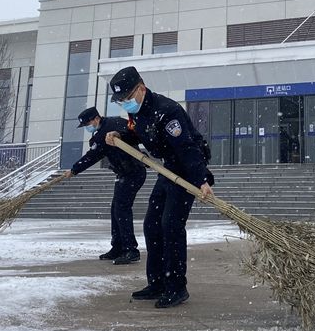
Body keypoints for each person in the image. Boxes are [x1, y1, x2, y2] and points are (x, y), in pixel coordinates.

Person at [104, 66, 214, 309]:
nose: (125, 104)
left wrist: (201, 180)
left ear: (141, 89)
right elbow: (141, 135)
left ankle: (176, 286)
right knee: (151, 224)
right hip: (168, 170)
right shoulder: (139, 113)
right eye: (120, 101)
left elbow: (187, 148)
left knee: (171, 226)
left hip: (185, 170)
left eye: (127, 98)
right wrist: (120, 136)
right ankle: (157, 282)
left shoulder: (167, 111)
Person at [64, 106, 147, 265]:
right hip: (123, 173)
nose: (87, 128)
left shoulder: (114, 124)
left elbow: (94, 155)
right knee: (115, 209)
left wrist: (75, 169)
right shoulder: (101, 133)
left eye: (88, 124)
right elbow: (94, 154)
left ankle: (131, 250)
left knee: (121, 209)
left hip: (134, 172)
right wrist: (75, 169)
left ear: (96, 118)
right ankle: (117, 247)